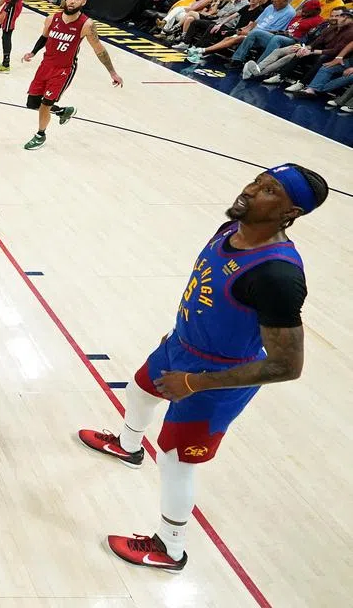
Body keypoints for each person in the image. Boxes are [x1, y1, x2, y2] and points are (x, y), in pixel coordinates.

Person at [79, 164, 328, 571]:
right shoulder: (229, 229)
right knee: (139, 391)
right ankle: (127, 446)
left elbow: (286, 365)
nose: (251, 190)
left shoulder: (277, 275)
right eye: (258, 180)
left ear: (291, 212)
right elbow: (209, 291)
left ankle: (170, 548)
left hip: (216, 381)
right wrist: (181, 333)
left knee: (176, 461)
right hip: (182, 346)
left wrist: (194, 382)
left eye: (270, 191)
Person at [21, 0, 123, 150]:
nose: (72, 1)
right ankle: (63, 111)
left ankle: (40, 134)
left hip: (64, 70)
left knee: (46, 104)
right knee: (32, 103)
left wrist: (112, 72)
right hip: (45, 66)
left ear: (83, 2)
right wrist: (33, 52)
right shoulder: (51, 18)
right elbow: (44, 37)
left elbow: (99, 49)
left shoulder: (86, 24)